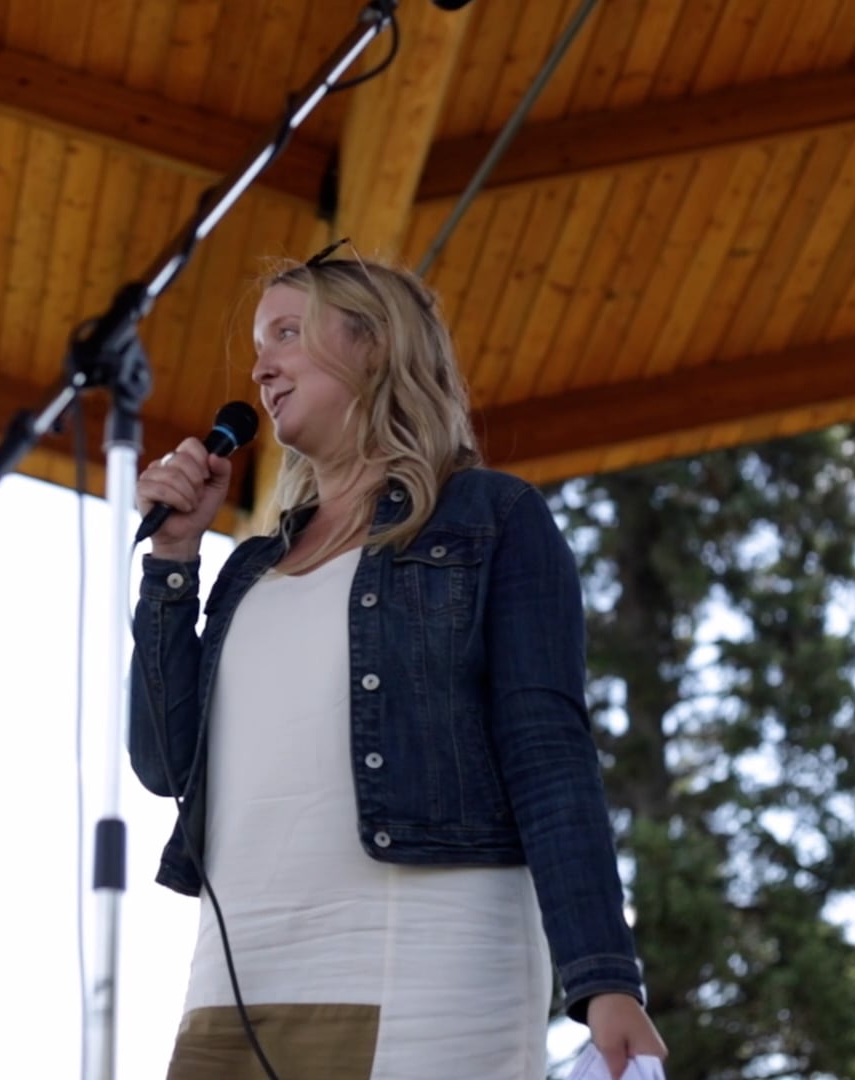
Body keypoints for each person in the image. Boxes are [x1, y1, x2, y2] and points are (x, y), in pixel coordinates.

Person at [128, 245, 667, 1080]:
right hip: (237, 973)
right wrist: (171, 559)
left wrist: (605, 977)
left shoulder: (494, 519)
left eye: (286, 332)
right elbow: (163, 762)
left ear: (372, 343)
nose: (260, 365)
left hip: (427, 956)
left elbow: (547, 752)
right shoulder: (246, 569)